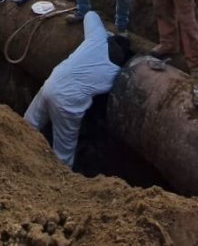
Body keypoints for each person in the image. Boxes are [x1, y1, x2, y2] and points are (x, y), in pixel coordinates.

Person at [24, 11, 129, 168]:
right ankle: (57, 177)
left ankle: (15, 153)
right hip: (67, 105)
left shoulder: (97, 38)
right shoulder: (114, 74)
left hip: (51, 85)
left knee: (27, 125)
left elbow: (90, 15)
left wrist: (106, 33)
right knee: (62, 155)